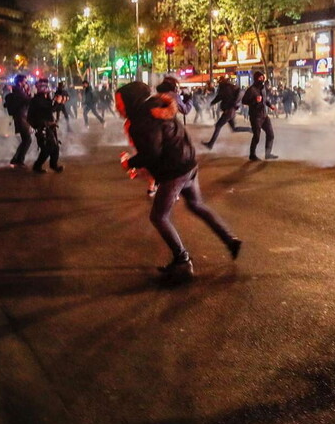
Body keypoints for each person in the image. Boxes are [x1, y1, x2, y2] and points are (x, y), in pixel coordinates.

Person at [119, 81, 242, 281]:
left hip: (174, 171)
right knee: (196, 204)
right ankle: (230, 240)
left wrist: (130, 162)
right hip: (189, 164)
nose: (118, 107)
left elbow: (152, 152)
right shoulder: (158, 108)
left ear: (131, 101)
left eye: (120, 103)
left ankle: (182, 260)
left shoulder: (142, 120)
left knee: (159, 217)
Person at [201, 75, 250, 150]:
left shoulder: (224, 88)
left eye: (219, 81)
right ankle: (250, 129)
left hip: (228, 111)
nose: (218, 83)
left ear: (221, 81)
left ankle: (210, 144)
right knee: (234, 129)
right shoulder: (231, 87)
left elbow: (219, 97)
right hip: (231, 110)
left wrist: (211, 103)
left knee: (218, 126)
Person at [28, 78, 63, 173]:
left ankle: (53, 165)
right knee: (47, 148)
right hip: (42, 127)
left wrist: (59, 102)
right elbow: (48, 110)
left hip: (50, 126)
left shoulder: (46, 98)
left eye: (47, 86)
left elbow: (52, 110)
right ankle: (37, 166)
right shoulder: (37, 100)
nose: (47, 88)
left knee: (55, 147)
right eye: (44, 86)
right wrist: (57, 102)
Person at [242, 71, 279, 161]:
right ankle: (252, 155)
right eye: (260, 78)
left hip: (264, 115)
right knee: (257, 136)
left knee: (270, 134)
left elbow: (265, 100)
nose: (262, 79)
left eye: (263, 77)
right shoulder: (251, 90)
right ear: (256, 78)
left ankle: (268, 153)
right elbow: (244, 101)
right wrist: (255, 100)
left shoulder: (262, 89)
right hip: (255, 116)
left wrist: (270, 106)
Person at [5, 74, 32, 168]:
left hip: (20, 117)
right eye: (25, 81)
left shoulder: (18, 91)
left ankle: (16, 159)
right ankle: (19, 160)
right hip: (21, 118)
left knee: (26, 140)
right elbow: (28, 101)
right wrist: (29, 93)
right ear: (20, 82)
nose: (26, 83)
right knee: (27, 139)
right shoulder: (19, 92)